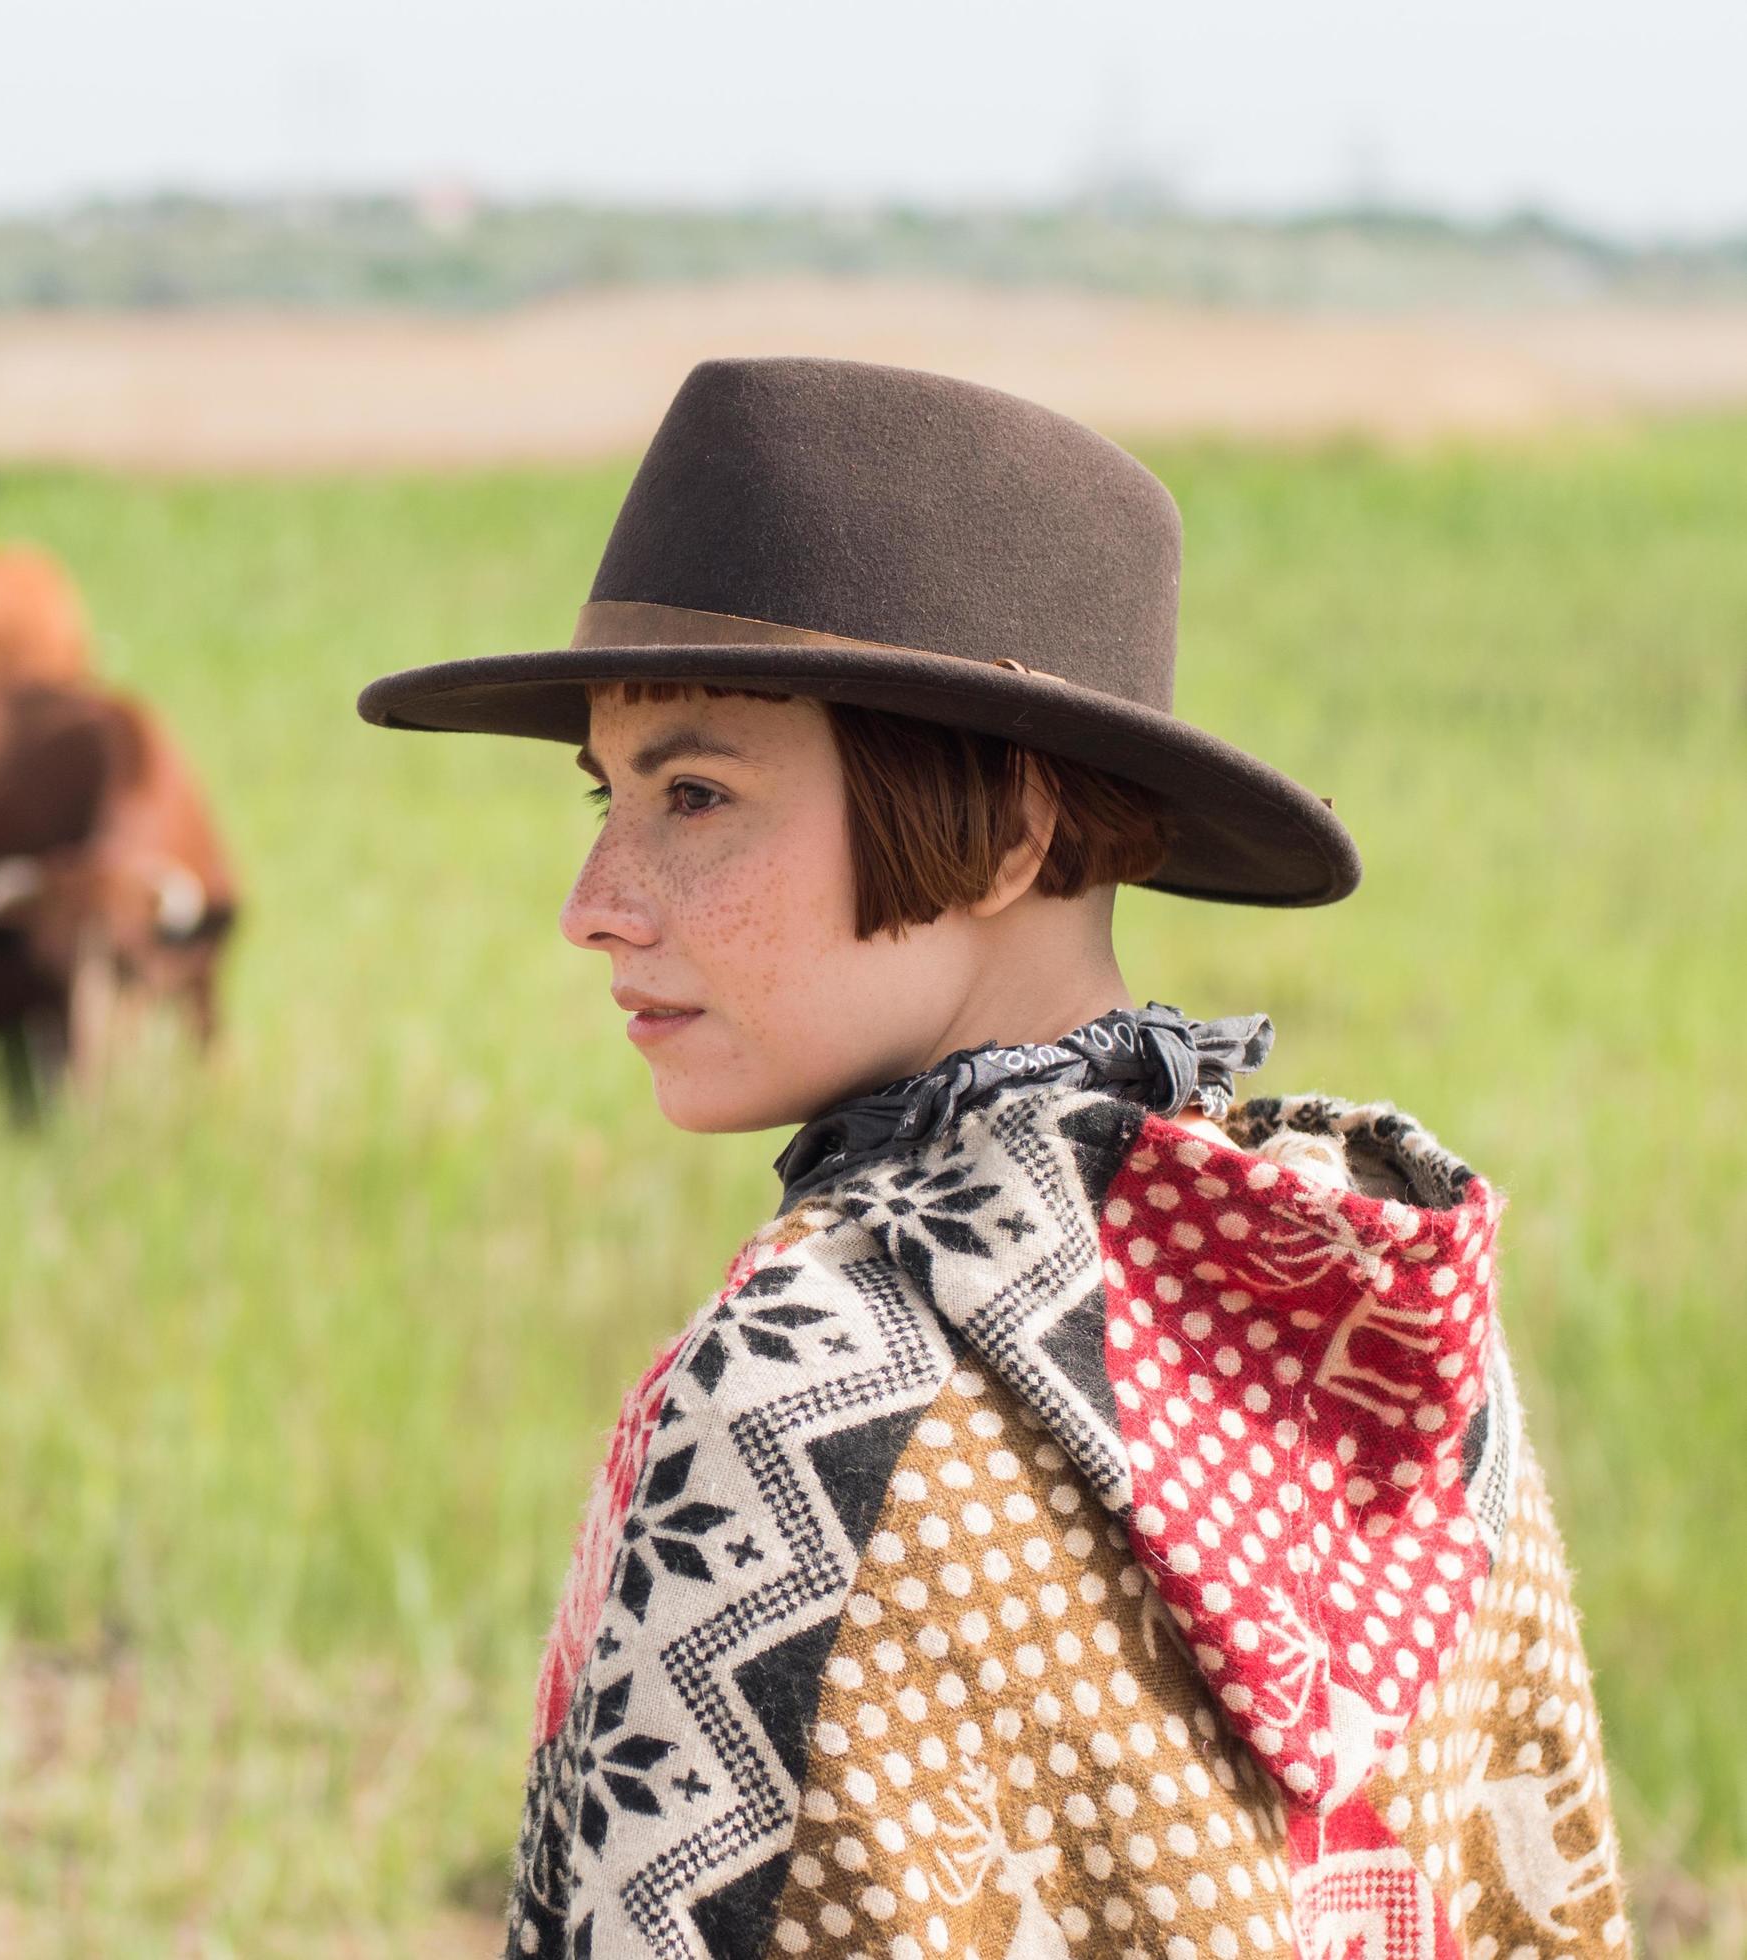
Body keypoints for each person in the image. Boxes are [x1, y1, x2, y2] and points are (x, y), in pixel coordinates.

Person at [358, 359, 1627, 1960]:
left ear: (1013, 826)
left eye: (694, 793)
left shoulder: (795, 1390)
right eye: (604, 798)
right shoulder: (1390, 1321)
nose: (595, 899)